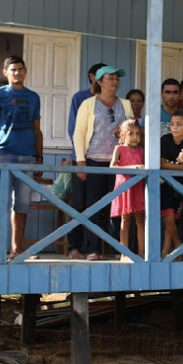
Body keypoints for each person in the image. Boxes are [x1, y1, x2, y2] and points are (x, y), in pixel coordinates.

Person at [71, 64, 133, 260]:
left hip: (119, 163)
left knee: (118, 206)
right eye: (110, 78)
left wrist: (123, 135)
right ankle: (93, 249)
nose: (115, 82)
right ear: (99, 82)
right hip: (94, 161)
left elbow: (132, 131)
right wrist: (81, 161)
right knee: (93, 206)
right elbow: (78, 133)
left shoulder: (125, 104)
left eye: (117, 78)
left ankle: (118, 248)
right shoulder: (88, 104)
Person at [0, 55, 44, 259]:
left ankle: (16, 249)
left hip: (27, 156)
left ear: (25, 71)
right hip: (3, 155)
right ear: (5, 72)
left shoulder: (33, 97)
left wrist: (39, 156)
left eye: (20, 69)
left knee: (22, 205)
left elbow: (37, 128)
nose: (17, 72)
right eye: (13, 69)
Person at [67, 62, 105, 255]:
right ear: (92, 77)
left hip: (103, 161)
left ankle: (95, 248)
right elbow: (75, 130)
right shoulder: (80, 98)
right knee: (79, 203)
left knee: (96, 204)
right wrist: (79, 159)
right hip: (82, 158)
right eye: (102, 76)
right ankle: (75, 246)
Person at [160, 110, 183, 257]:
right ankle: (178, 247)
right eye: (172, 124)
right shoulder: (165, 139)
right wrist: (181, 167)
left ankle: (166, 251)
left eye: (179, 124)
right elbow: (161, 163)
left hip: (182, 186)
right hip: (165, 184)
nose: (174, 127)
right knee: (168, 216)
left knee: (174, 218)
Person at [109, 119, 146, 259]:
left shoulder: (142, 150)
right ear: (123, 135)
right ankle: (124, 253)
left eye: (138, 134)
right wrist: (131, 168)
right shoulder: (119, 149)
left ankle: (142, 252)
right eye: (131, 133)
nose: (135, 137)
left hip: (137, 187)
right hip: (124, 187)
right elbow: (112, 167)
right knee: (125, 220)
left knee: (140, 221)